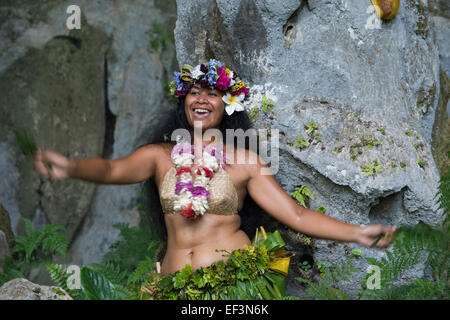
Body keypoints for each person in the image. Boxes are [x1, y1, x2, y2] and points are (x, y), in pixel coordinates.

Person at [32, 59, 396, 298]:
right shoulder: (159, 157)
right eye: (194, 92)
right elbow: (112, 170)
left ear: (228, 105)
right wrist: (72, 167)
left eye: (213, 92)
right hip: (171, 288)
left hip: (234, 288)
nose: (202, 99)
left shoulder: (245, 162)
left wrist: (356, 232)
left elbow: (295, 216)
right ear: (183, 102)